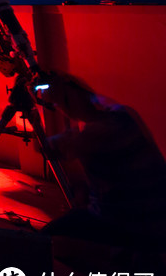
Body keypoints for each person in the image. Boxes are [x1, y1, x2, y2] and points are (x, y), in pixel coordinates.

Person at [39, 73, 166, 251]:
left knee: (42, 240)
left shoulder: (98, 132)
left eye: (63, 102)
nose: (62, 108)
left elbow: (51, 147)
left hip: (130, 222)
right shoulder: (123, 113)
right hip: (153, 213)